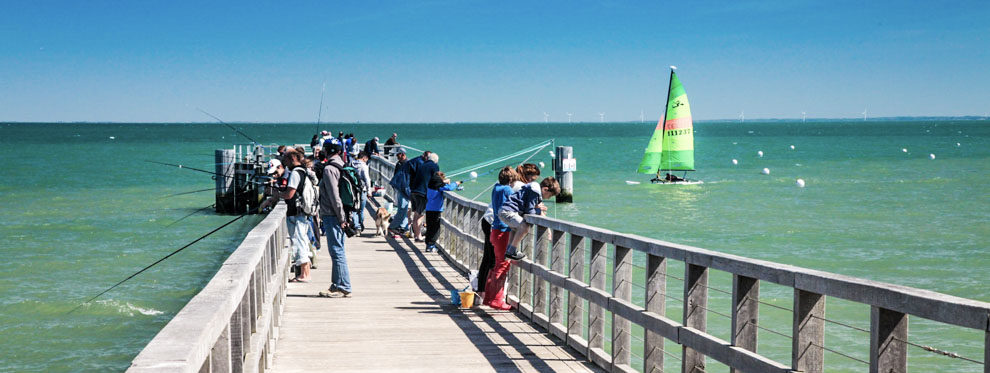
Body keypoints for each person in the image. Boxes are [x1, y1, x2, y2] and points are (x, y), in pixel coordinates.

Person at [477, 166, 519, 303]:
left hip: (494, 229)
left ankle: (489, 297)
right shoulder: (507, 189)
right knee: (502, 265)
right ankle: (496, 300)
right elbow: (516, 204)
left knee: (495, 264)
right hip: (503, 229)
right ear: (511, 179)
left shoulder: (496, 188)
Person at [499, 177, 561, 261]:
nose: (549, 198)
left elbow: (532, 209)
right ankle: (511, 251)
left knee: (515, 229)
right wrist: (538, 209)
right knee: (524, 227)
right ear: (545, 189)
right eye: (550, 195)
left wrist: (549, 230)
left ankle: (509, 250)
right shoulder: (534, 192)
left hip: (504, 211)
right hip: (508, 211)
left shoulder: (533, 191)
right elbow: (529, 211)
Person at [318, 143, 352, 297]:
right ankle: (336, 284)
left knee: (337, 251)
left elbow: (334, 196)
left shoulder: (329, 169)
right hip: (340, 213)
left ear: (327, 152)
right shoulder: (342, 165)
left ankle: (343, 286)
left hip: (333, 214)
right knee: (337, 249)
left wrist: (341, 217)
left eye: (324, 151)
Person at [282, 150, 315, 283]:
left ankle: (304, 275)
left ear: (293, 158)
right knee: (302, 240)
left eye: (286, 159)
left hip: (296, 213)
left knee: (299, 241)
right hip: (302, 212)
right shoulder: (303, 170)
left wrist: (276, 194)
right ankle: (305, 272)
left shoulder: (295, 173)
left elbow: (290, 194)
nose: (284, 162)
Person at [424, 171, 461, 252]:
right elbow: (449, 188)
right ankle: (431, 246)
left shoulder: (432, 183)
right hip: (436, 209)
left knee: (430, 227)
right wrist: (456, 183)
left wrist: (445, 182)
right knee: (435, 228)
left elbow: (441, 185)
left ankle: (428, 245)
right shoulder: (438, 185)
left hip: (428, 208)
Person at [409, 152, 438, 242]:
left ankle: (416, 235)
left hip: (414, 192)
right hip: (422, 193)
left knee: (415, 216)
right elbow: (436, 180)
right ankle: (419, 236)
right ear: (436, 161)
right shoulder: (434, 166)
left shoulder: (422, 165)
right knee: (420, 215)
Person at [387, 147, 412, 237]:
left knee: (404, 208)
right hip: (399, 188)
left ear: (403, 154)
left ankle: (397, 226)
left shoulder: (407, 164)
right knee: (402, 208)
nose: (397, 156)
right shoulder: (399, 164)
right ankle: (403, 227)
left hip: (404, 189)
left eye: (398, 155)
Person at [350, 151, 373, 232]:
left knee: (354, 208)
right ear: (364, 158)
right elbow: (367, 179)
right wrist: (369, 191)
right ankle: (360, 224)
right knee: (361, 210)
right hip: (362, 189)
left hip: (352, 189)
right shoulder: (364, 166)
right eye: (366, 159)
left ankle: (356, 226)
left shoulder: (351, 164)